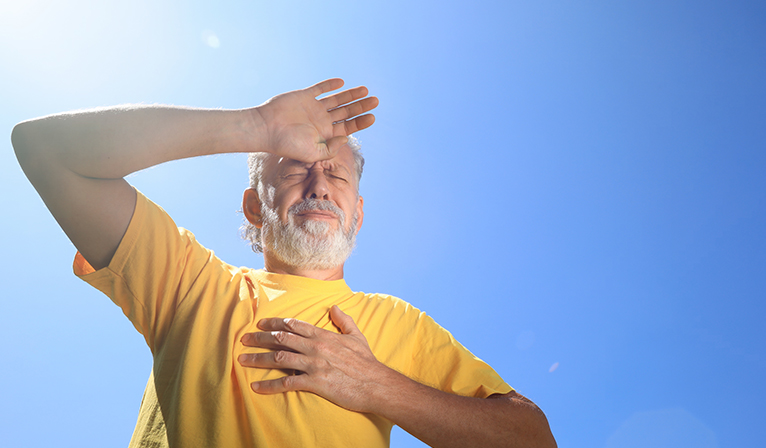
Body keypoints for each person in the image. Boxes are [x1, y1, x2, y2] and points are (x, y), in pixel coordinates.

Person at [12, 79, 556, 448]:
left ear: (358, 213)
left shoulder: (400, 325)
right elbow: (44, 148)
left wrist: (375, 386)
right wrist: (256, 125)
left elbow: (533, 438)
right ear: (254, 204)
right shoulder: (189, 284)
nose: (320, 185)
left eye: (337, 175)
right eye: (295, 168)